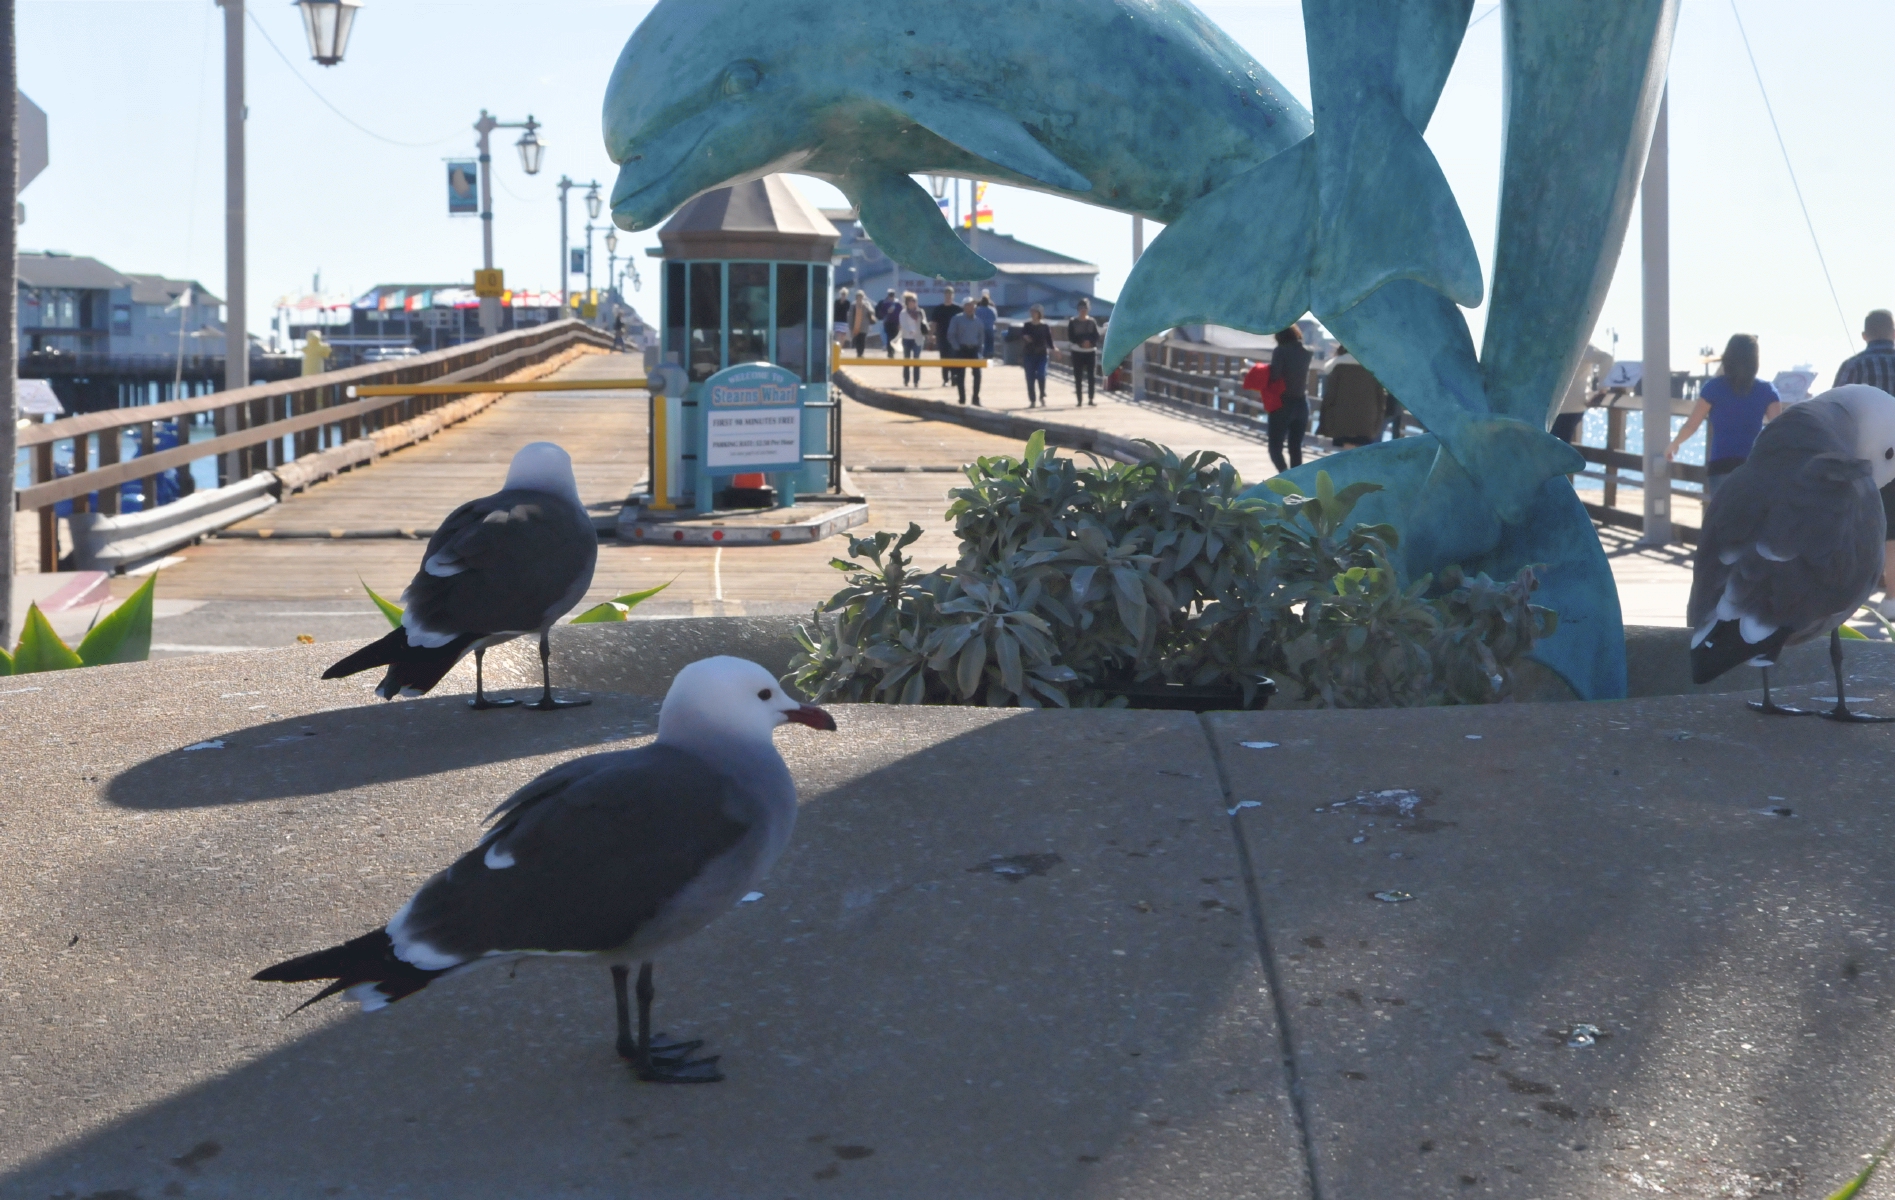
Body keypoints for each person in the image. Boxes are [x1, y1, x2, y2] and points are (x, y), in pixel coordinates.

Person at [1668, 333, 1781, 502]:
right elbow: (1779, 430)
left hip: (1721, 465)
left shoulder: (1713, 388)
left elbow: (1692, 425)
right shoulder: (1767, 391)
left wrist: (1675, 443)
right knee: (1749, 522)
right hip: (1752, 465)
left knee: (1722, 521)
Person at [1833, 308, 1895, 614]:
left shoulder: (1853, 366)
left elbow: (1836, 411)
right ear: (1894, 333)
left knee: (1859, 527)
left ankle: (1856, 594)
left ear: (1864, 335)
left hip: (1862, 460)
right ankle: (1893, 599)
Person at [1316, 345, 1387, 448]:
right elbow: (1381, 400)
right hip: (1367, 420)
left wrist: (1324, 424)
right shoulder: (1374, 369)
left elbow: (1329, 398)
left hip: (1341, 419)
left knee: (1346, 452)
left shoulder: (1338, 368)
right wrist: (1377, 425)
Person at [1267, 326, 1313, 472]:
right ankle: (1296, 482)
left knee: (1275, 448)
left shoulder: (1280, 351)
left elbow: (1274, 375)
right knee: (1295, 448)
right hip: (1302, 404)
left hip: (1283, 404)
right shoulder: (1306, 353)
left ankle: (1284, 476)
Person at [1552, 343, 1615, 444]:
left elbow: (1607, 358)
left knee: (1548, 448)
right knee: (1560, 447)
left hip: (1554, 407)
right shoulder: (1581, 344)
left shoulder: (1550, 343)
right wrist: (1603, 390)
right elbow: (1606, 359)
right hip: (1573, 405)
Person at [946, 299, 986, 406]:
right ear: (964, 307)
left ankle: (975, 398)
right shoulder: (957, 319)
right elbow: (951, 334)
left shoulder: (978, 322)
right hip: (961, 349)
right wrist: (956, 347)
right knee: (960, 375)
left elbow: (981, 338)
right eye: (968, 305)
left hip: (974, 350)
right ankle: (962, 398)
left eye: (972, 306)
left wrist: (980, 352)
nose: (970, 308)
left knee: (977, 374)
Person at [1067, 299, 1101, 406]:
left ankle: (1091, 398)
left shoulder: (1092, 321)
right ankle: (1079, 400)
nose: (1083, 310)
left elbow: (1096, 336)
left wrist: (1090, 343)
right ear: (1078, 309)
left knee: (1091, 376)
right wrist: (1081, 343)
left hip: (1090, 351)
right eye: (1081, 308)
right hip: (1077, 351)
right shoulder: (1073, 321)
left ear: (1088, 309)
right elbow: (1071, 337)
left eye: (1085, 308)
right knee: (1078, 376)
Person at [1020, 304, 1054, 407]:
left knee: (1041, 374)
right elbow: (1022, 335)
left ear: (1039, 314)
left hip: (1042, 355)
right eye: (1032, 311)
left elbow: (1049, 341)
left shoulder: (1045, 326)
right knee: (1030, 378)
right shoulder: (1027, 325)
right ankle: (1032, 400)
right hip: (1029, 354)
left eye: (1035, 312)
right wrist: (1025, 337)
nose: (1033, 313)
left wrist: (1055, 349)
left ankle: (1042, 395)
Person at [930, 288, 961, 386]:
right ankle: (945, 379)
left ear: (953, 295)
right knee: (944, 358)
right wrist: (931, 334)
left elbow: (962, 323)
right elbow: (934, 323)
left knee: (954, 358)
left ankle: (954, 378)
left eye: (950, 295)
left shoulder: (958, 309)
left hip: (954, 337)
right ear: (944, 295)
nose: (948, 297)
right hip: (942, 336)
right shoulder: (939, 309)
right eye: (947, 294)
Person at [898, 292, 928, 387]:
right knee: (907, 359)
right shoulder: (903, 313)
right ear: (907, 302)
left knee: (916, 360)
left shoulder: (920, 312)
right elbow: (903, 324)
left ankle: (916, 381)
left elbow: (924, 323)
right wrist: (910, 331)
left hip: (918, 339)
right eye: (912, 300)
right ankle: (906, 379)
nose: (914, 302)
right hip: (907, 338)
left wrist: (925, 329)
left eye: (915, 300)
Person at [876, 289, 902, 358]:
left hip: (896, 323)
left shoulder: (898, 304)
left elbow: (901, 314)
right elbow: (881, 313)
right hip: (888, 322)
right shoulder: (885, 303)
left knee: (894, 338)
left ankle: (892, 351)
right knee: (889, 337)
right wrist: (887, 311)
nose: (891, 296)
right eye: (890, 295)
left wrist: (900, 323)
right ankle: (890, 352)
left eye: (892, 295)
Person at [849, 289, 874, 357]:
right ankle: (858, 352)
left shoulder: (866, 304)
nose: (859, 298)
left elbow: (872, 311)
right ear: (856, 297)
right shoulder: (853, 305)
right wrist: (850, 326)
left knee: (862, 339)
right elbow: (850, 316)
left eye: (861, 296)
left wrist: (867, 307)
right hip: (856, 325)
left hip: (864, 325)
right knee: (857, 339)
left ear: (863, 297)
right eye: (858, 296)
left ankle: (861, 353)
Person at [976, 290, 998, 359]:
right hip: (990, 328)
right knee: (990, 343)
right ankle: (990, 355)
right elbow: (995, 319)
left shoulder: (977, 310)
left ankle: (982, 355)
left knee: (982, 343)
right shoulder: (992, 310)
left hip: (980, 329)